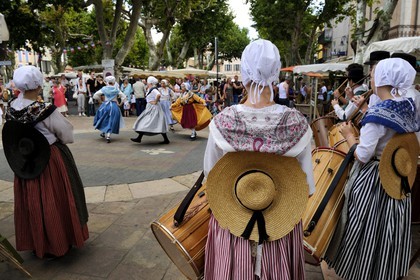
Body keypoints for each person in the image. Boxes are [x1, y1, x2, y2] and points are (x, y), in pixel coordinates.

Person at [203, 39, 315, 279]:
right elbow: (307, 187)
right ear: (275, 75)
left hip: (233, 227)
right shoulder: (297, 124)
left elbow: (210, 178)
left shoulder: (223, 122)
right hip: (279, 228)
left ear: (243, 74)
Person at [325, 58, 419, 280]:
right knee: (389, 230)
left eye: (375, 73)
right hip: (398, 178)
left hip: (374, 180)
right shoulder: (410, 107)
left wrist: (349, 137)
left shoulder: (377, 114)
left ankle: (362, 271)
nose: (372, 77)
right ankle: (385, 270)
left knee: (366, 229)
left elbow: (363, 155)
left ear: (383, 79)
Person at [2, 66, 89, 259]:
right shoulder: (44, 110)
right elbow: (66, 134)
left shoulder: (11, 108)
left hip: (24, 161)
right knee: (54, 199)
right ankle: (58, 243)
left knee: (32, 201)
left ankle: (36, 241)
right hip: (49, 160)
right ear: (39, 85)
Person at [131, 76, 170, 144]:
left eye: (148, 82)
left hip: (153, 108)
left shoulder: (153, 89)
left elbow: (158, 95)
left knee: (146, 122)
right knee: (155, 122)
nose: (146, 83)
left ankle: (139, 138)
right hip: (151, 107)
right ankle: (139, 138)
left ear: (150, 83)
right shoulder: (150, 89)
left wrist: (155, 101)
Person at [92, 76, 126, 143]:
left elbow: (95, 95)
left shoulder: (104, 88)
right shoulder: (116, 89)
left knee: (104, 119)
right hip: (114, 106)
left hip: (105, 106)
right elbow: (124, 97)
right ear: (113, 82)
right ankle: (108, 136)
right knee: (111, 121)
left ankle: (104, 133)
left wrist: (100, 100)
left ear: (107, 82)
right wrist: (120, 103)